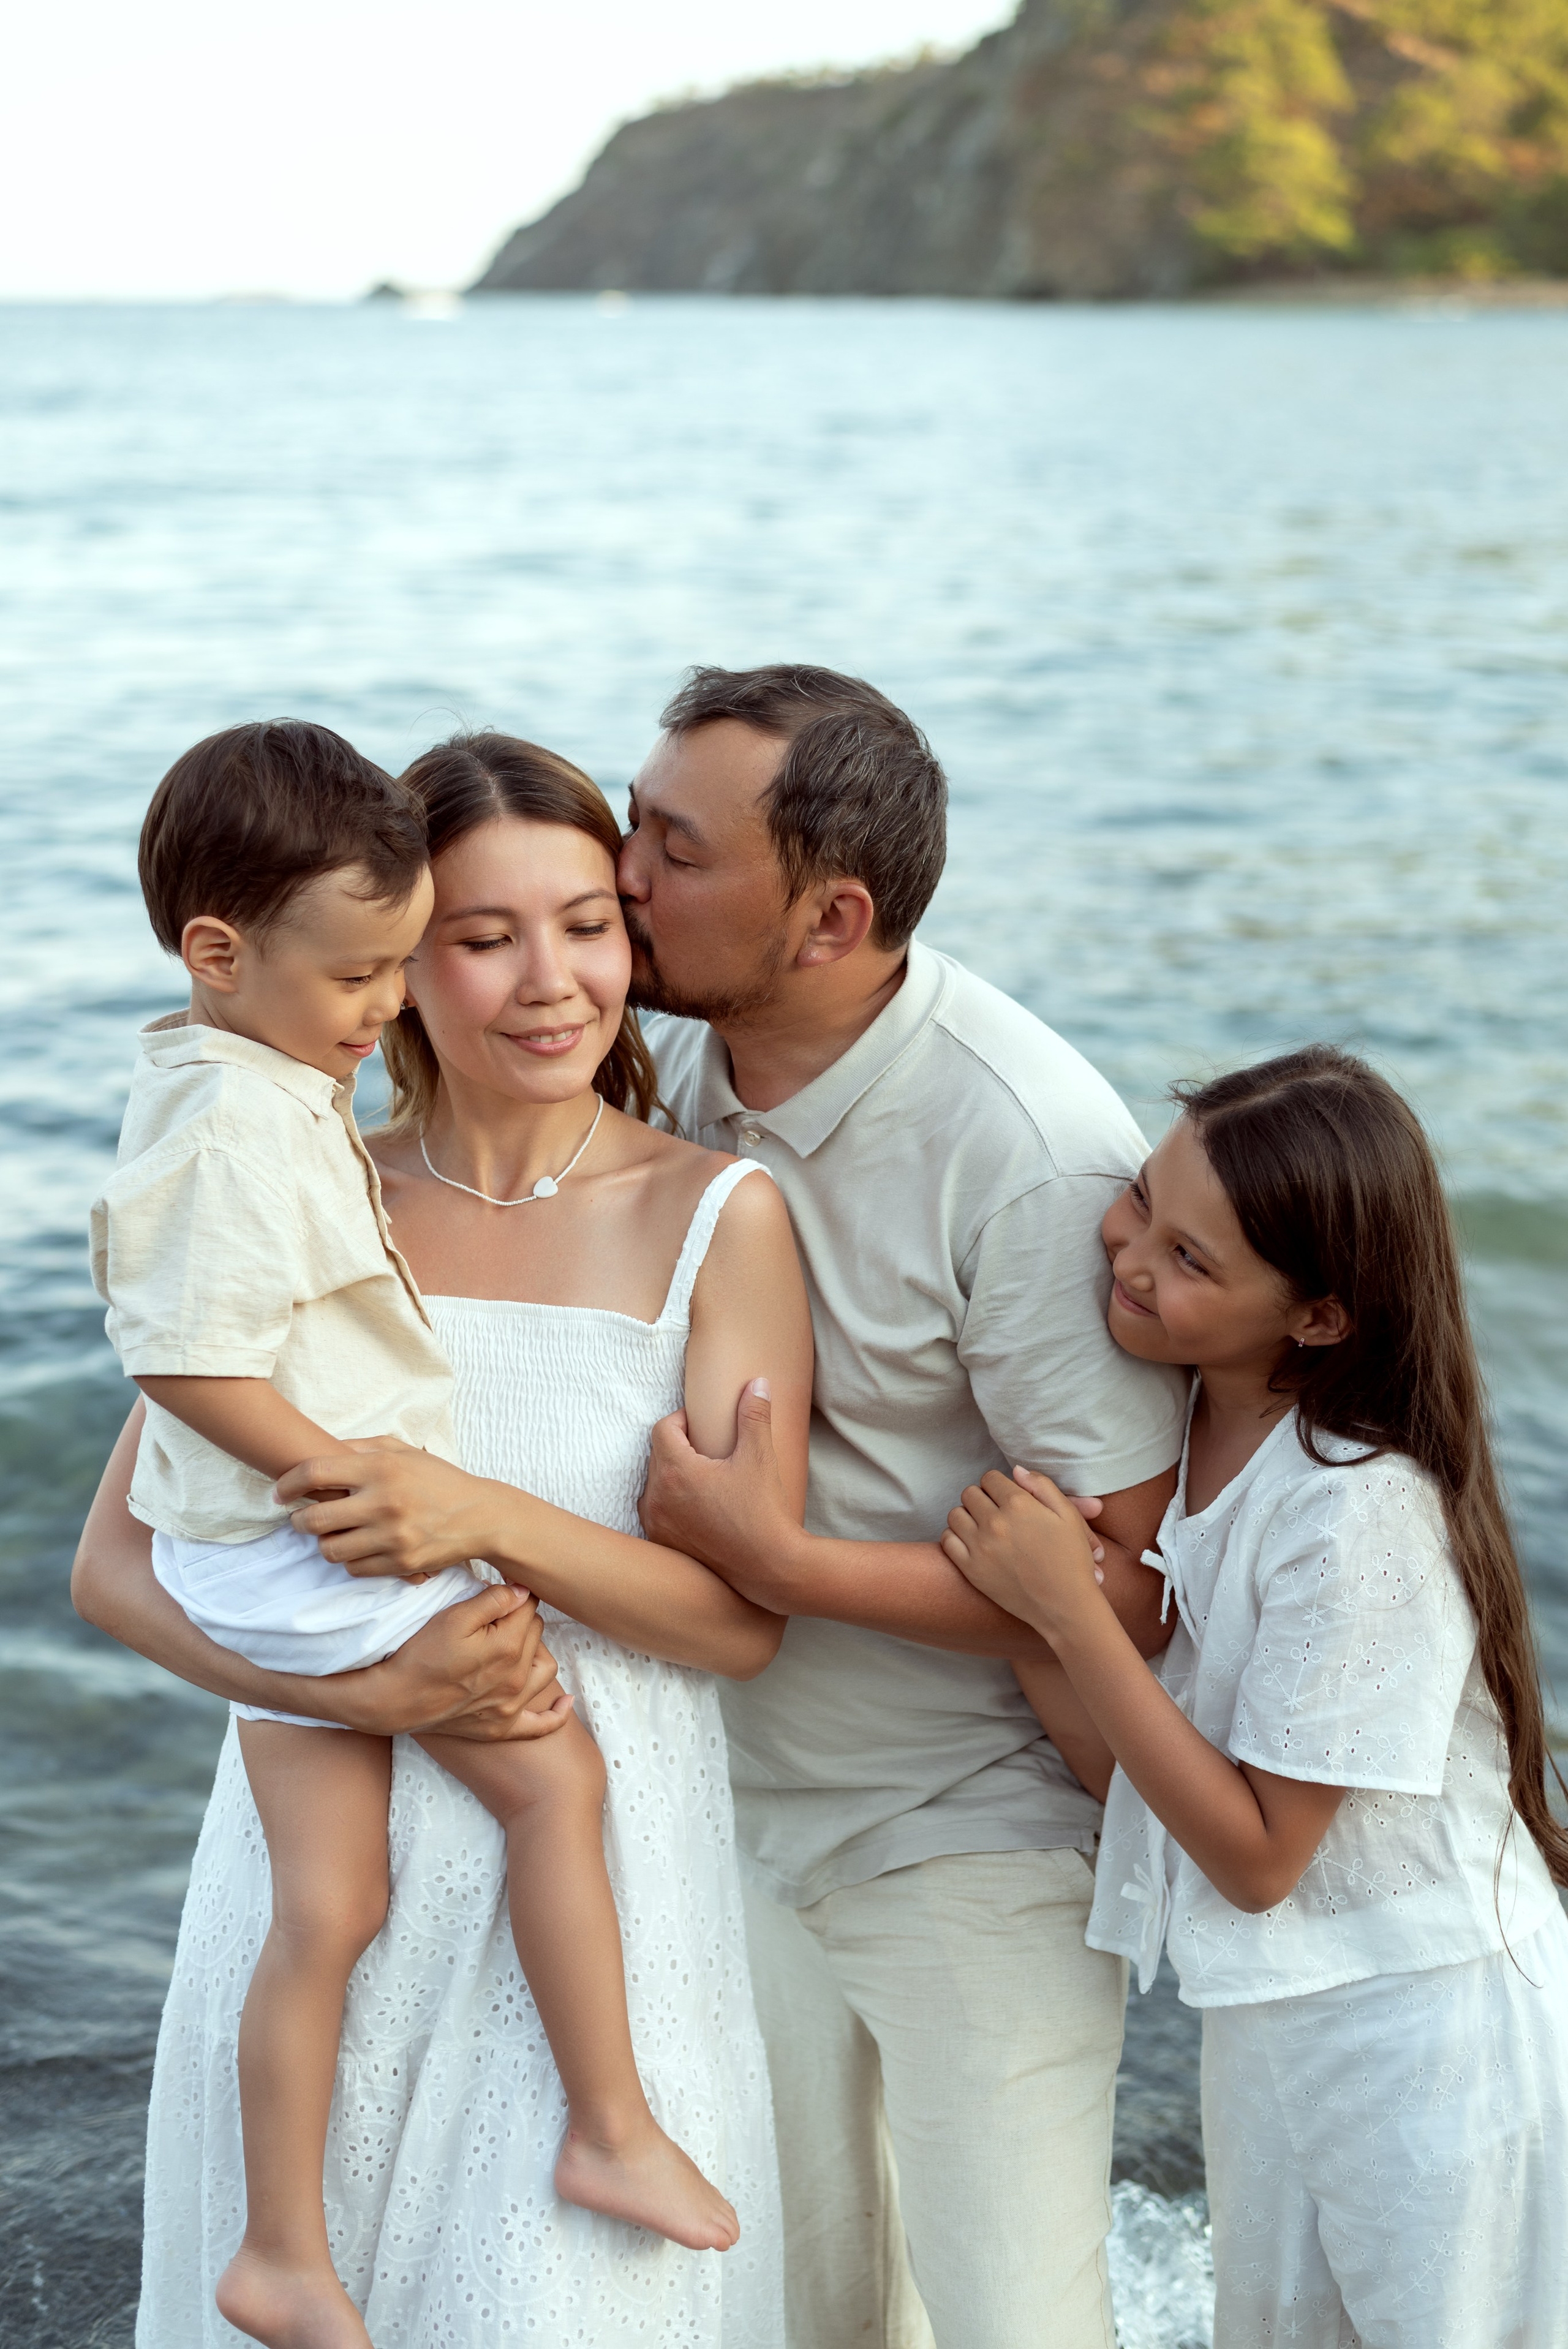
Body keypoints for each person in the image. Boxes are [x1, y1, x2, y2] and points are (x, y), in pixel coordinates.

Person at [74, 731, 810, 2348]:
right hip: (317, 1885)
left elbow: (738, 1625)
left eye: (589, 923)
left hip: (602, 1905)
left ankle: (610, 2126)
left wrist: (481, 1517)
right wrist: (360, 1696)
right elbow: (115, 1568)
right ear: (398, 960)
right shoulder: (305, 1186)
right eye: (484, 937)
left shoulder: (718, 1218)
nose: (553, 981)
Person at [620, 666, 1190, 2348]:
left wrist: (780, 1562)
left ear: (831, 918)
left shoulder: (1024, 1149)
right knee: (806, 2314)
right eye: (633, 823)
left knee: (1015, 2323)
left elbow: (1127, 1578)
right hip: (722, 1809)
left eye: (674, 848)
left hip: (968, 1833)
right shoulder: (662, 1060)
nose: (622, 876)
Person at [941, 1047, 1568, 2349]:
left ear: (1319, 1318)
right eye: (1140, 1202)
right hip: (1267, 2017)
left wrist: (1065, 1610)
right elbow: (1145, 1783)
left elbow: (1260, 1858)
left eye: (1188, 1259)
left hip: (1430, 2027)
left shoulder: (1360, 1511)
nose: (1128, 1260)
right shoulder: (1172, 1441)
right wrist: (1030, 1624)